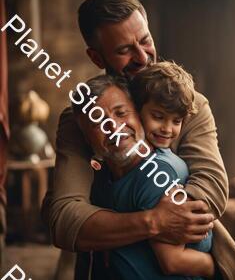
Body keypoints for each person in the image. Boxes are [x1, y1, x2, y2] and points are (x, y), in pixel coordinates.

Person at [41, 0, 235, 279]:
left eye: (145, 41)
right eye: (124, 50)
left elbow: (212, 187)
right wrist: (153, 221)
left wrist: (165, 218)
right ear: (96, 57)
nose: (142, 57)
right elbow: (65, 220)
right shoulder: (80, 117)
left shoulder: (189, 104)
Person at [75, 62, 217, 279]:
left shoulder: (156, 175)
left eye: (121, 113)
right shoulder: (104, 175)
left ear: (136, 113)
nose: (113, 127)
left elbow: (172, 262)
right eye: (98, 121)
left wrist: (215, 269)